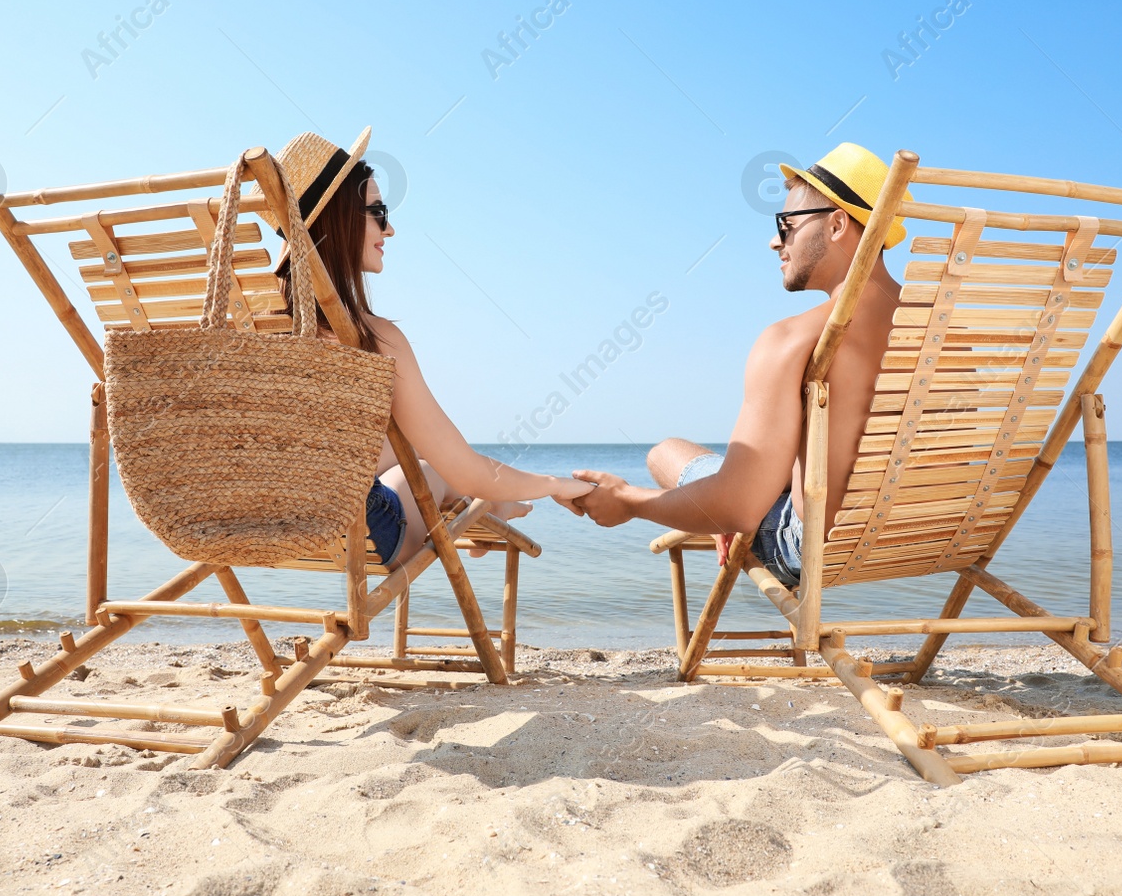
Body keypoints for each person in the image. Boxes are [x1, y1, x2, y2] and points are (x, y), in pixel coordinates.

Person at [568, 143, 908, 587]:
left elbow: (743, 507)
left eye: (785, 225)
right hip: (928, 537)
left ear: (838, 224)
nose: (774, 241)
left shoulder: (792, 341)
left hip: (822, 547)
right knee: (752, 478)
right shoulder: (948, 335)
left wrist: (630, 501)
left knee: (667, 452)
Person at [273, 131, 592, 566]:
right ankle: (489, 509)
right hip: (356, 530)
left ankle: (489, 508)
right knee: (434, 469)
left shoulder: (253, 329)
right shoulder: (375, 340)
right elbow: (466, 468)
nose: (389, 228)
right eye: (378, 213)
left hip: (259, 515)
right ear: (341, 219)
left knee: (409, 449)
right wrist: (554, 484)